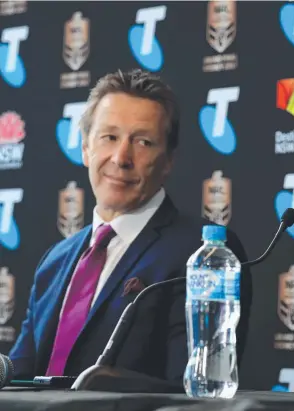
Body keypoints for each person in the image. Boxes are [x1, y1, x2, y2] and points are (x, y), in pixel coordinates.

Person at [9, 69, 253, 383]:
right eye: (109, 137)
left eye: (143, 142)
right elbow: (17, 377)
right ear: (85, 148)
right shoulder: (54, 262)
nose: (121, 157)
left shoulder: (202, 255)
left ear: (168, 161)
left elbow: (197, 391)